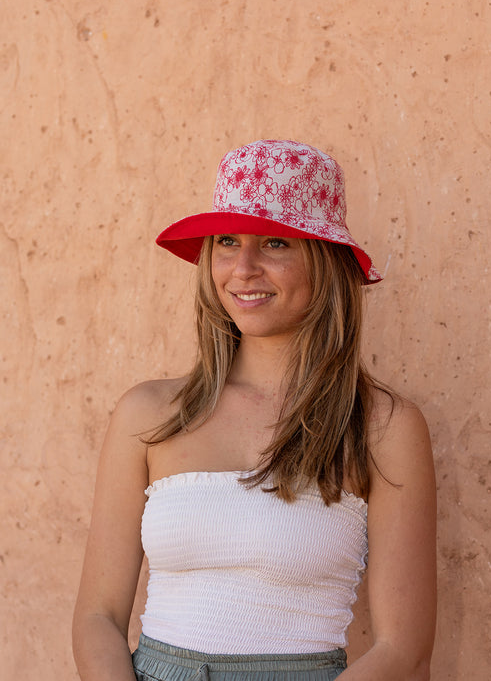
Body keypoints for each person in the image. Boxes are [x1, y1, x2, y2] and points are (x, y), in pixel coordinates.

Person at [72, 139, 437, 681]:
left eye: (274, 243)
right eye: (226, 241)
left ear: (325, 260)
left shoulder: (383, 427)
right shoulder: (147, 414)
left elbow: (402, 652)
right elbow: (97, 617)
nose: (243, 268)